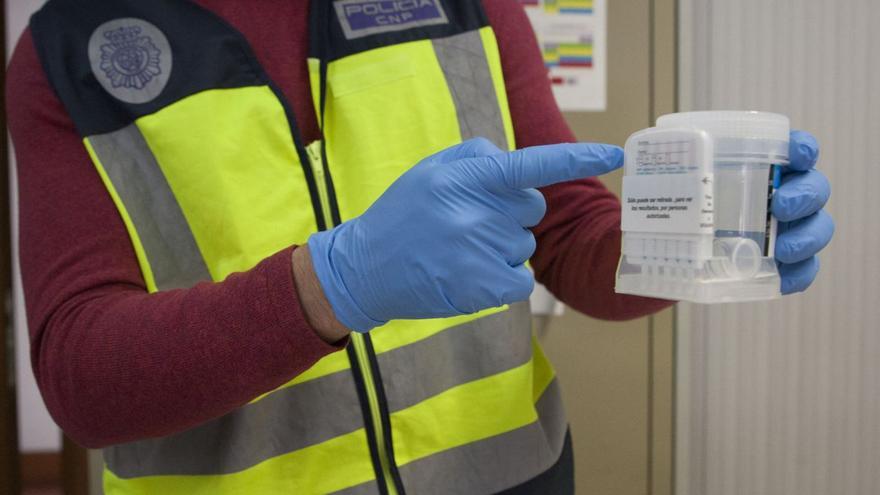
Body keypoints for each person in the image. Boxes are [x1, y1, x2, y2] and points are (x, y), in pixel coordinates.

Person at [6, 0, 833, 493]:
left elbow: (571, 234)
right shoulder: (66, 52)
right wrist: (326, 285)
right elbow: (81, 373)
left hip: (511, 479)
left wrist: (689, 237)